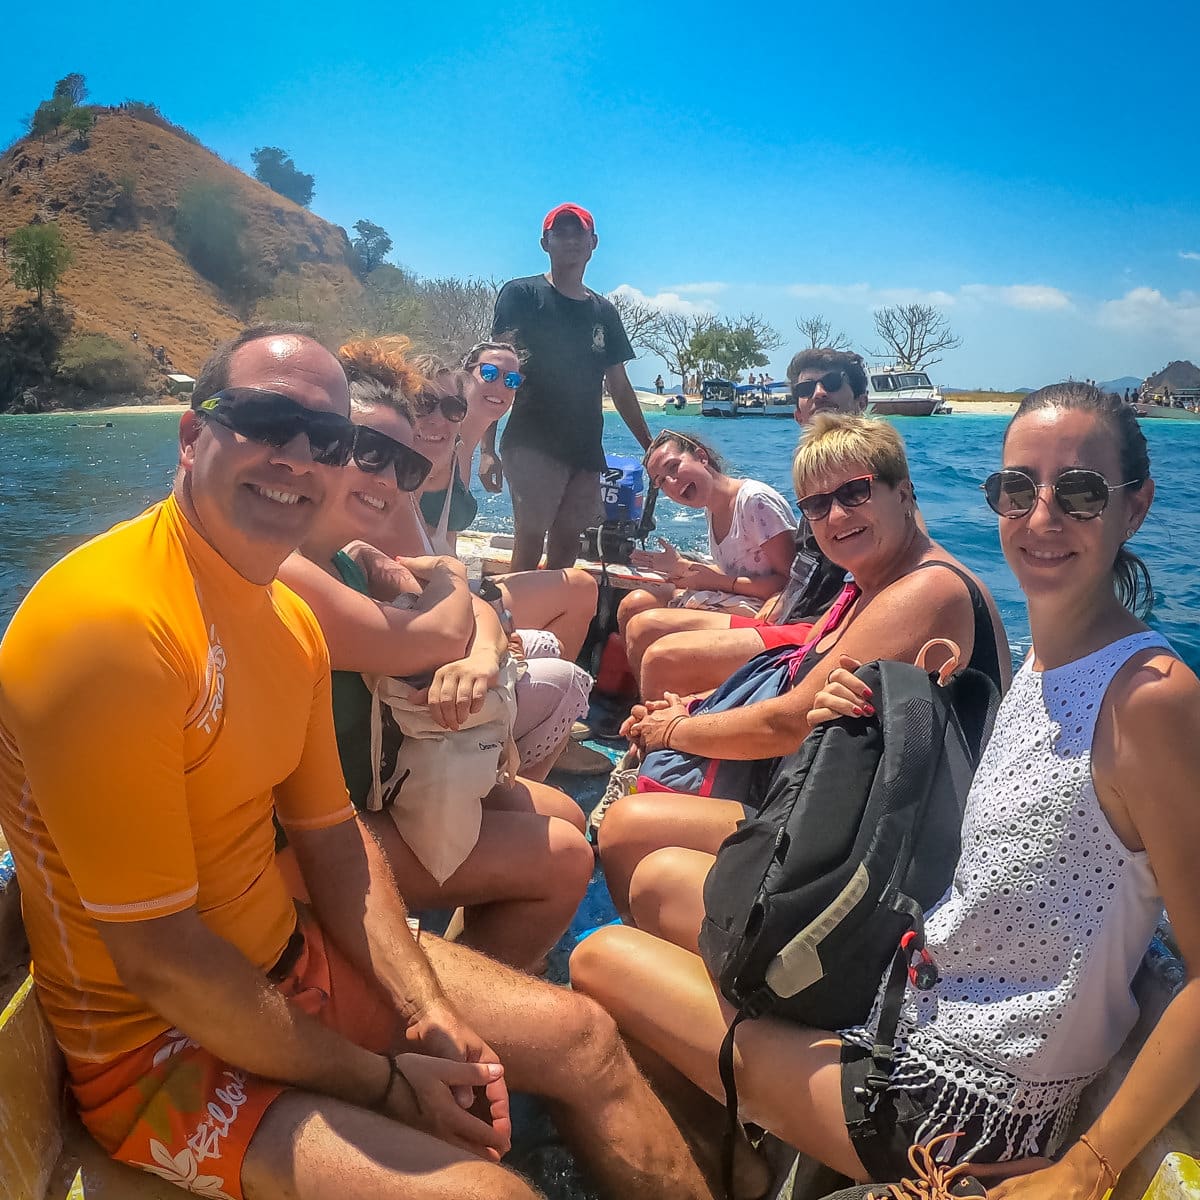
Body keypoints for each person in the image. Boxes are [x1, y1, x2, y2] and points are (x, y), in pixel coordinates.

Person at [0, 324, 711, 1200]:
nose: (297, 457)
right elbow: (161, 960)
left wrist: (426, 1011)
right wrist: (381, 1083)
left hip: (293, 959)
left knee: (585, 1041)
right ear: (191, 437)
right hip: (157, 1053)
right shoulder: (112, 628)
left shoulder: (286, 620)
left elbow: (334, 840)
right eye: (264, 420)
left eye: (329, 441)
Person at [573, 383, 1200, 1199]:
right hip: (912, 988)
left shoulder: (1151, 699)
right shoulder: (1049, 665)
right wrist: (908, 709)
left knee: (598, 961)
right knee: (653, 879)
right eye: (1017, 489)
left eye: (1078, 492)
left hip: (953, 1099)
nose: (1041, 516)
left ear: (1136, 506)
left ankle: (730, 1165)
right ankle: (743, 1146)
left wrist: (1090, 1166)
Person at [598, 414, 1009, 917]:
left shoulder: (927, 591)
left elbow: (787, 723)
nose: (835, 516)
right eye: (816, 504)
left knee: (627, 829)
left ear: (903, 493)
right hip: (820, 799)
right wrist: (694, 707)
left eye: (854, 493)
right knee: (638, 812)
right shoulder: (864, 584)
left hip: (871, 854)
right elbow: (795, 682)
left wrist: (673, 730)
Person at [276, 344, 593, 970]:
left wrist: (476, 651)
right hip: (298, 845)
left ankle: (456, 965)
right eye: (366, 452)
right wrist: (449, 574)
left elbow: (472, 615)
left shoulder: (349, 558)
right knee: (565, 857)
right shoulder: (284, 569)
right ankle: (449, 1005)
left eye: (405, 467)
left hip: (371, 784)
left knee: (562, 811)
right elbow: (437, 623)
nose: (388, 480)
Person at [624, 348, 869, 700]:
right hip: (791, 613)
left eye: (831, 384)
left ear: (861, 401)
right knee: (634, 607)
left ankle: (665, 730)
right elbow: (799, 575)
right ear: (798, 414)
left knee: (651, 633)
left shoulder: (871, 484)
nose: (818, 394)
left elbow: (788, 578)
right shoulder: (816, 482)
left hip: (809, 628)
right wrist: (685, 570)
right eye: (805, 390)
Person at [490, 203, 653, 571]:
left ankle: (547, 621)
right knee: (530, 537)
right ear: (544, 242)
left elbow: (620, 386)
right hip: (531, 439)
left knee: (567, 544)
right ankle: (513, 621)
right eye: (559, 232)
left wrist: (650, 445)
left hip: (584, 447)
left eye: (578, 232)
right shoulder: (521, 295)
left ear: (593, 242)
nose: (569, 240)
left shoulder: (604, 312)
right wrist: (486, 448)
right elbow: (496, 370)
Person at [618, 430, 795, 632]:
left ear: (701, 457)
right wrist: (683, 566)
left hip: (765, 611)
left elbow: (791, 582)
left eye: (674, 467)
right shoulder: (712, 510)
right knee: (634, 604)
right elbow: (737, 570)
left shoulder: (755, 502)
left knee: (647, 626)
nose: (671, 482)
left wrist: (713, 581)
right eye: (661, 482)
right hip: (737, 598)